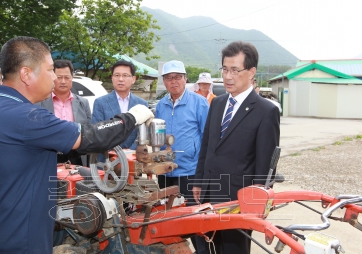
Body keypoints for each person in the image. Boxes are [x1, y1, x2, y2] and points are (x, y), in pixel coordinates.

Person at [0, 36, 154, 254]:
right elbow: (89, 136)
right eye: (50, 70)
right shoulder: (27, 117)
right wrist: (130, 118)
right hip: (20, 241)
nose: (55, 77)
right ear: (26, 74)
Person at [192, 41, 280, 254]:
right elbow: (207, 146)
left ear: (251, 72)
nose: (228, 76)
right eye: (224, 69)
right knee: (206, 248)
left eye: (234, 70)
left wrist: (260, 199)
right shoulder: (218, 103)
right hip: (209, 194)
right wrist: (199, 182)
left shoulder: (266, 111)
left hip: (238, 200)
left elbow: (265, 163)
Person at [155, 60, 209, 205]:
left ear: (185, 79)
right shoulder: (161, 105)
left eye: (178, 76)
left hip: (189, 172)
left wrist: (202, 175)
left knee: (188, 216)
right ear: (164, 81)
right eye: (169, 78)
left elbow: (207, 138)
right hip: (164, 171)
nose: (173, 81)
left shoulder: (200, 103)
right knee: (165, 215)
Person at [39, 59, 91, 165]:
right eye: (59, 77)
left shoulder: (83, 103)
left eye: (67, 77)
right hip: (50, 155)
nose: (63, 81)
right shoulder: (40, 103)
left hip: (77, 156)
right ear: (52, 77)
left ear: (72, 78)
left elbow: (88, 131)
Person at [92, 59, 148, 149]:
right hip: (107, 158)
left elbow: (143, 134)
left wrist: (130, 152)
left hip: (134, 158)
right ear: (112, 78)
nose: (120, 79)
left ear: (133, 79)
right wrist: (115, 154)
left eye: (125, 75)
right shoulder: (100, 103)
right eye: (117, 75)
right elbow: (97, 133)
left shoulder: (142, 104)